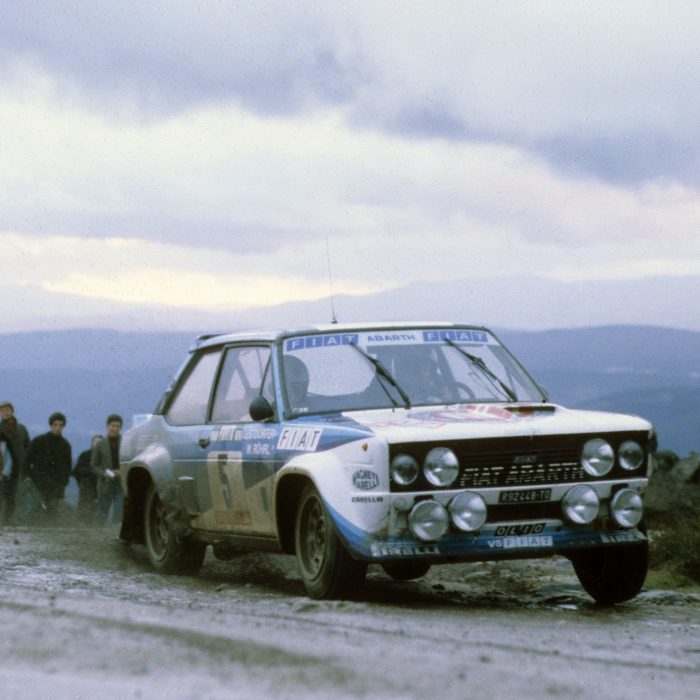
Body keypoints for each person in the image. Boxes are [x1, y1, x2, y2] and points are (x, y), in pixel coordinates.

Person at [22, 412, 72, 522]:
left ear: (63, 427)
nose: (58, 428)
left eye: (60, 425)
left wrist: (63, 484)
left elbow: (67, 468)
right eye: (55, 424)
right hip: (37, 483)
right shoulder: (39, 441)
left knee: (51, 515)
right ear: (51, 425)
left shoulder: (65, 445)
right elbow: (26, 460)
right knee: (33, 512)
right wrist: (26, 476)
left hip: (55, 486)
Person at [0, 401, 30, 525]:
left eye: (7, 410)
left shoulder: (21, 429)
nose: (5, 412)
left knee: (12, 496)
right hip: (3, 468)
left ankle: (8, 520)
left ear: (12, 411)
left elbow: (28, 447)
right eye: (2, 411)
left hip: (18, 468)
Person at [92, 415, 124, 525]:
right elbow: (94, 465)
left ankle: (115, 531)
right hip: (105, 483)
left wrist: (122, 471)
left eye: (118, 426)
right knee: (102, 511)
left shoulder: (125, 442)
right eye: (113, 426)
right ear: (107, 426)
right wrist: (105, 473)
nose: (115, 428)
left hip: (121, 482)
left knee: (119, 510)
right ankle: (97, 531)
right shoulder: (101, 444)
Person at [73, 435, 102, 524]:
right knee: (85, 506)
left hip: (100, 485)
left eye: (100, 442)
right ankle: (82, 523)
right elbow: (77, 470)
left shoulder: (105, 456)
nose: (97, 444)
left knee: (98, 507)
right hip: (87, 485)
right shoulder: (85, 455)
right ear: (92, 443)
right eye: (96, 442)